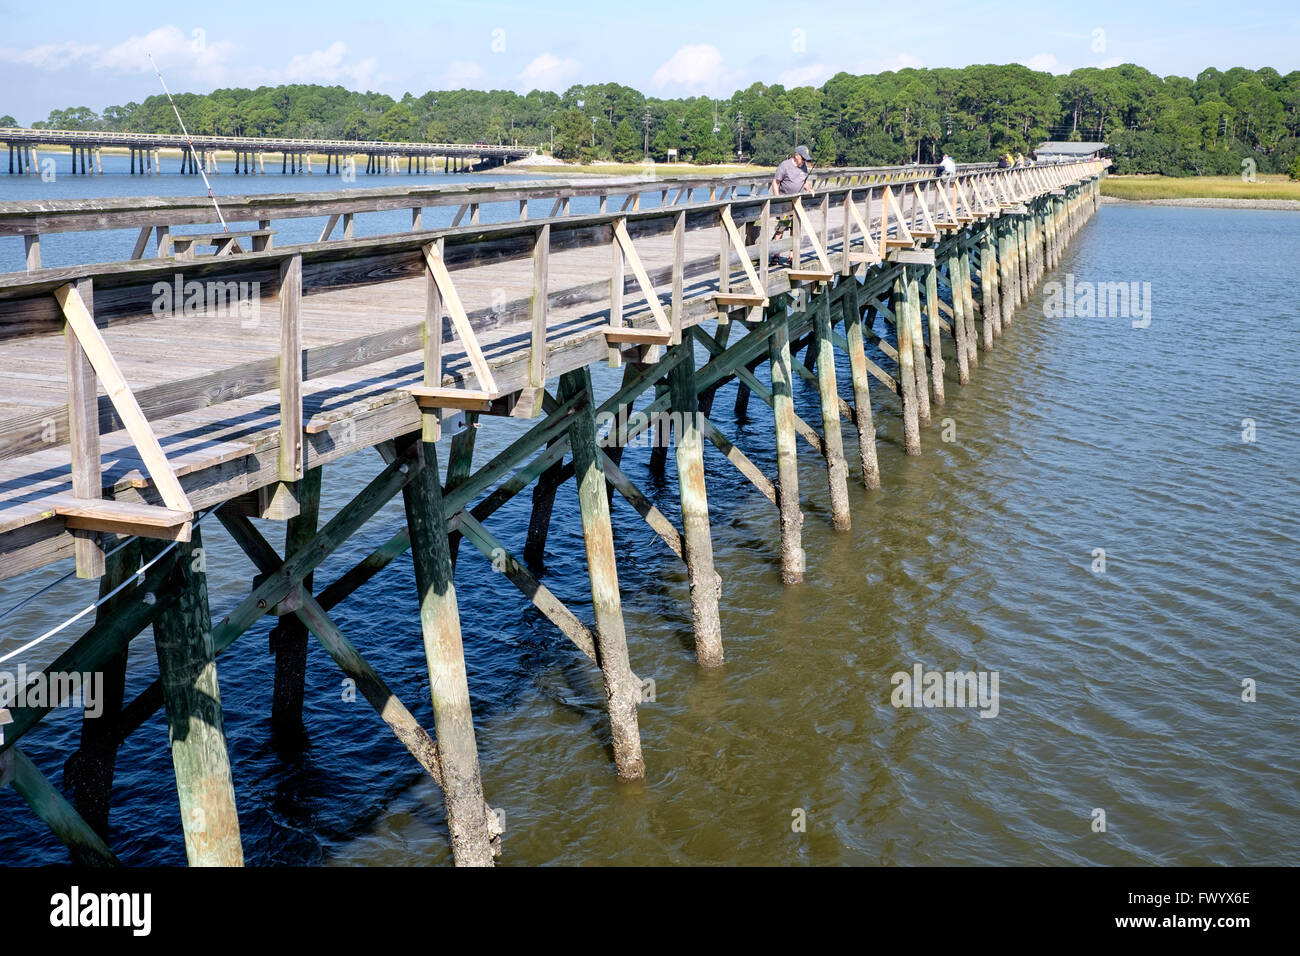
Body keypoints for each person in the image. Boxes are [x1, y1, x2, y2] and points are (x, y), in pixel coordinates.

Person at [770, 145, 813, 265]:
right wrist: (777, 198)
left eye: (805, 160)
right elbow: (775, 182)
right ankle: (776, 255)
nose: (804, 162)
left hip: (798, 203)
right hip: (785, 203)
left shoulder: (804, 166)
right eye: (803, 159)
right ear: (796, 155)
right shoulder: (785, 165)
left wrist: (808, 189)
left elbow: (804, 181)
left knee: (795, 229)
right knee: (781, 229)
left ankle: (792, 255)